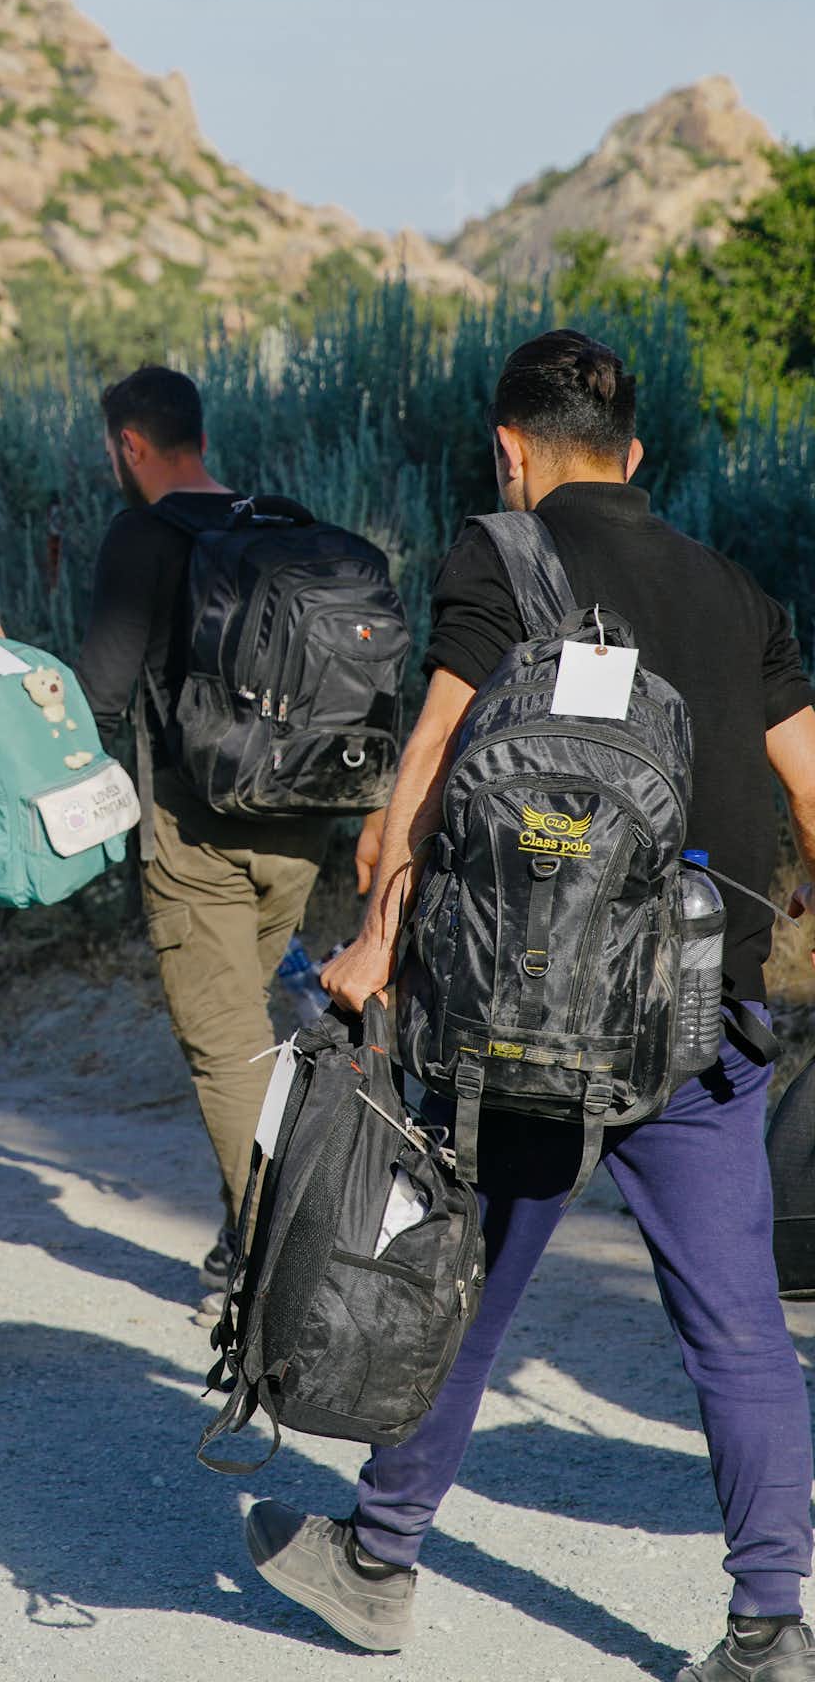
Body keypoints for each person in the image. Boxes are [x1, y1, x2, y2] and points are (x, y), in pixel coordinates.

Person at [251, 330, 815, 1682]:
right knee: (738, 1326)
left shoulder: (501, 559)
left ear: (512, 452)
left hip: (526, 1023)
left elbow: (435, 764)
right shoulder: (736, 591)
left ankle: (380, 1561)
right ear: (638, 458)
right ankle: (772, 1624)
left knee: (466, 1291)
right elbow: (810, 786)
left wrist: (375, 939)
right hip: (704, 1012)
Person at [75, 364, 335, 1299]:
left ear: (130, 446)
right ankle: (242, 1249)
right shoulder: (287, 521)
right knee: (251, 1037)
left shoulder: (140, 535)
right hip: (302, 826)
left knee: (226, 1051)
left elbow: (102, 695)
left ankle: (290, 1265)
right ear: (203, 441)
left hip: (195, 836)